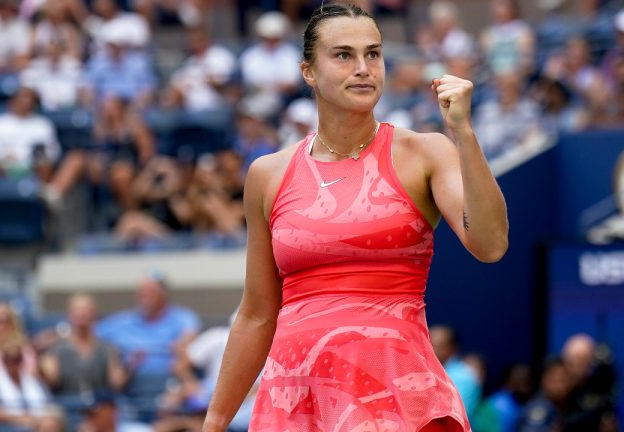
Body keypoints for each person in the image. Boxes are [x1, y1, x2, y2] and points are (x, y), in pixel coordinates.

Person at [203, 3, 508, 431]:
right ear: (308, 71)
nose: (363, 68)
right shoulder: (267, 174)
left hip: (395, 398)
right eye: (343, 55)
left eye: (374, 54)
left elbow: (491, 244)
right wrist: (215, 422)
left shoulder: (425, 151)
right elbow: (257, 314)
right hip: (296, 401)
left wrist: (465, 135)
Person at [96, 271, 202, 376]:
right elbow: (89, 333)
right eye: (142, 292)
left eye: (151, 291)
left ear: (164, 294)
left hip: (171, 380)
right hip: (132, 383)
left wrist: (181, 345)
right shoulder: (122, 322)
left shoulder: (182, 317)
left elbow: (189, 335)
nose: (145, 296)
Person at [40, 294, 128, 397]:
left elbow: (116, 383)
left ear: (95, 314)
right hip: (68, 405)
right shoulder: (57, 348)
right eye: (77, 310)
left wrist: (130, 366)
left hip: (99, 406)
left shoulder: (107, 348)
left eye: (86, 310)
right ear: (69, 314)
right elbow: (51, 379)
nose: (81, 314)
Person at [431, 325, 482, 417]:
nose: (433, 350)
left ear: (453, 348)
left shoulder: (465, 377)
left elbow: (453, 415)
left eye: (439, 346)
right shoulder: (422, 371)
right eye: (430, 345)